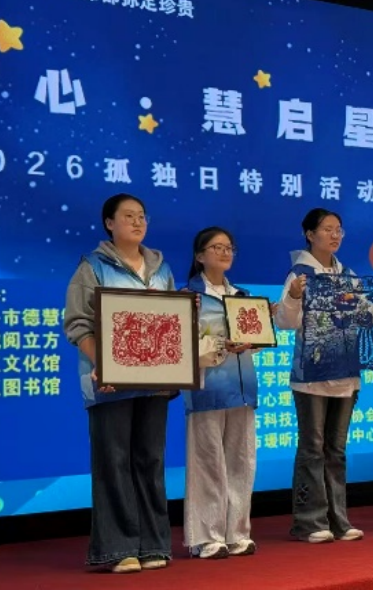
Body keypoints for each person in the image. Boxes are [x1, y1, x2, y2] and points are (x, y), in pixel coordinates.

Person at [63, 193, 177, 573]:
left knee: (150, 458)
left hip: (155, 381)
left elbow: (172, 324)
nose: (138, 222)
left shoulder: (161, 269)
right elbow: (78, 324)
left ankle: (153, 544)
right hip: (108, 381)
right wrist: (106, 364)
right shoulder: (92, 267)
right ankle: (119, 549)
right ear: (109, 223)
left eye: (142, 216)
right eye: (128, 216)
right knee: (114, 461)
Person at [274, 208, 365, 544]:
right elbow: (285, 322)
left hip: (346, 373)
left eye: (339, 229)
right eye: (327, 229)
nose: (335, 234)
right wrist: (295, 296)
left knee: (336, 450)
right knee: (313, 448)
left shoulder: (349, 275)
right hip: (311, 376)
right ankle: (309, 521)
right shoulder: (299, 274)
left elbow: (363, 317)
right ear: (309, 234)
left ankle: (338, 519)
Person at [182, 227, 260, 560]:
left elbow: (254, 341)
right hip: (207, 387)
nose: (225, 252)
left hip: (243, 388)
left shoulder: (242, 295)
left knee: (242, 462)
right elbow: (181, 344)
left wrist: (256, 338)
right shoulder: (189, 296)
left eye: (229, 247)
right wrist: (220, 344)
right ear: (200, 256)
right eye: (217, 247)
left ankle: (238, 533)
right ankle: (206, 536)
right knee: (207, 463)